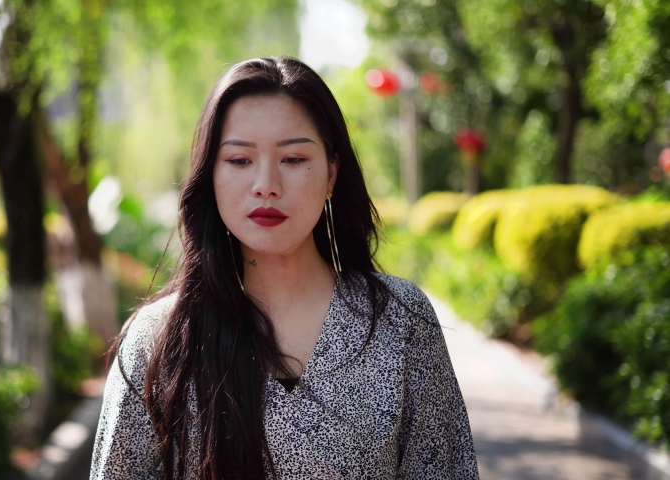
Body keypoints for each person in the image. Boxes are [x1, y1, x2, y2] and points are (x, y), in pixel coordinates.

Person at [90, 56, 479, 480]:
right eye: (239, 161)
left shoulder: (399, 321)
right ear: (210, 176)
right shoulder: (160, 341)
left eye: (293, 159)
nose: (266, 184)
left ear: (332, 172)